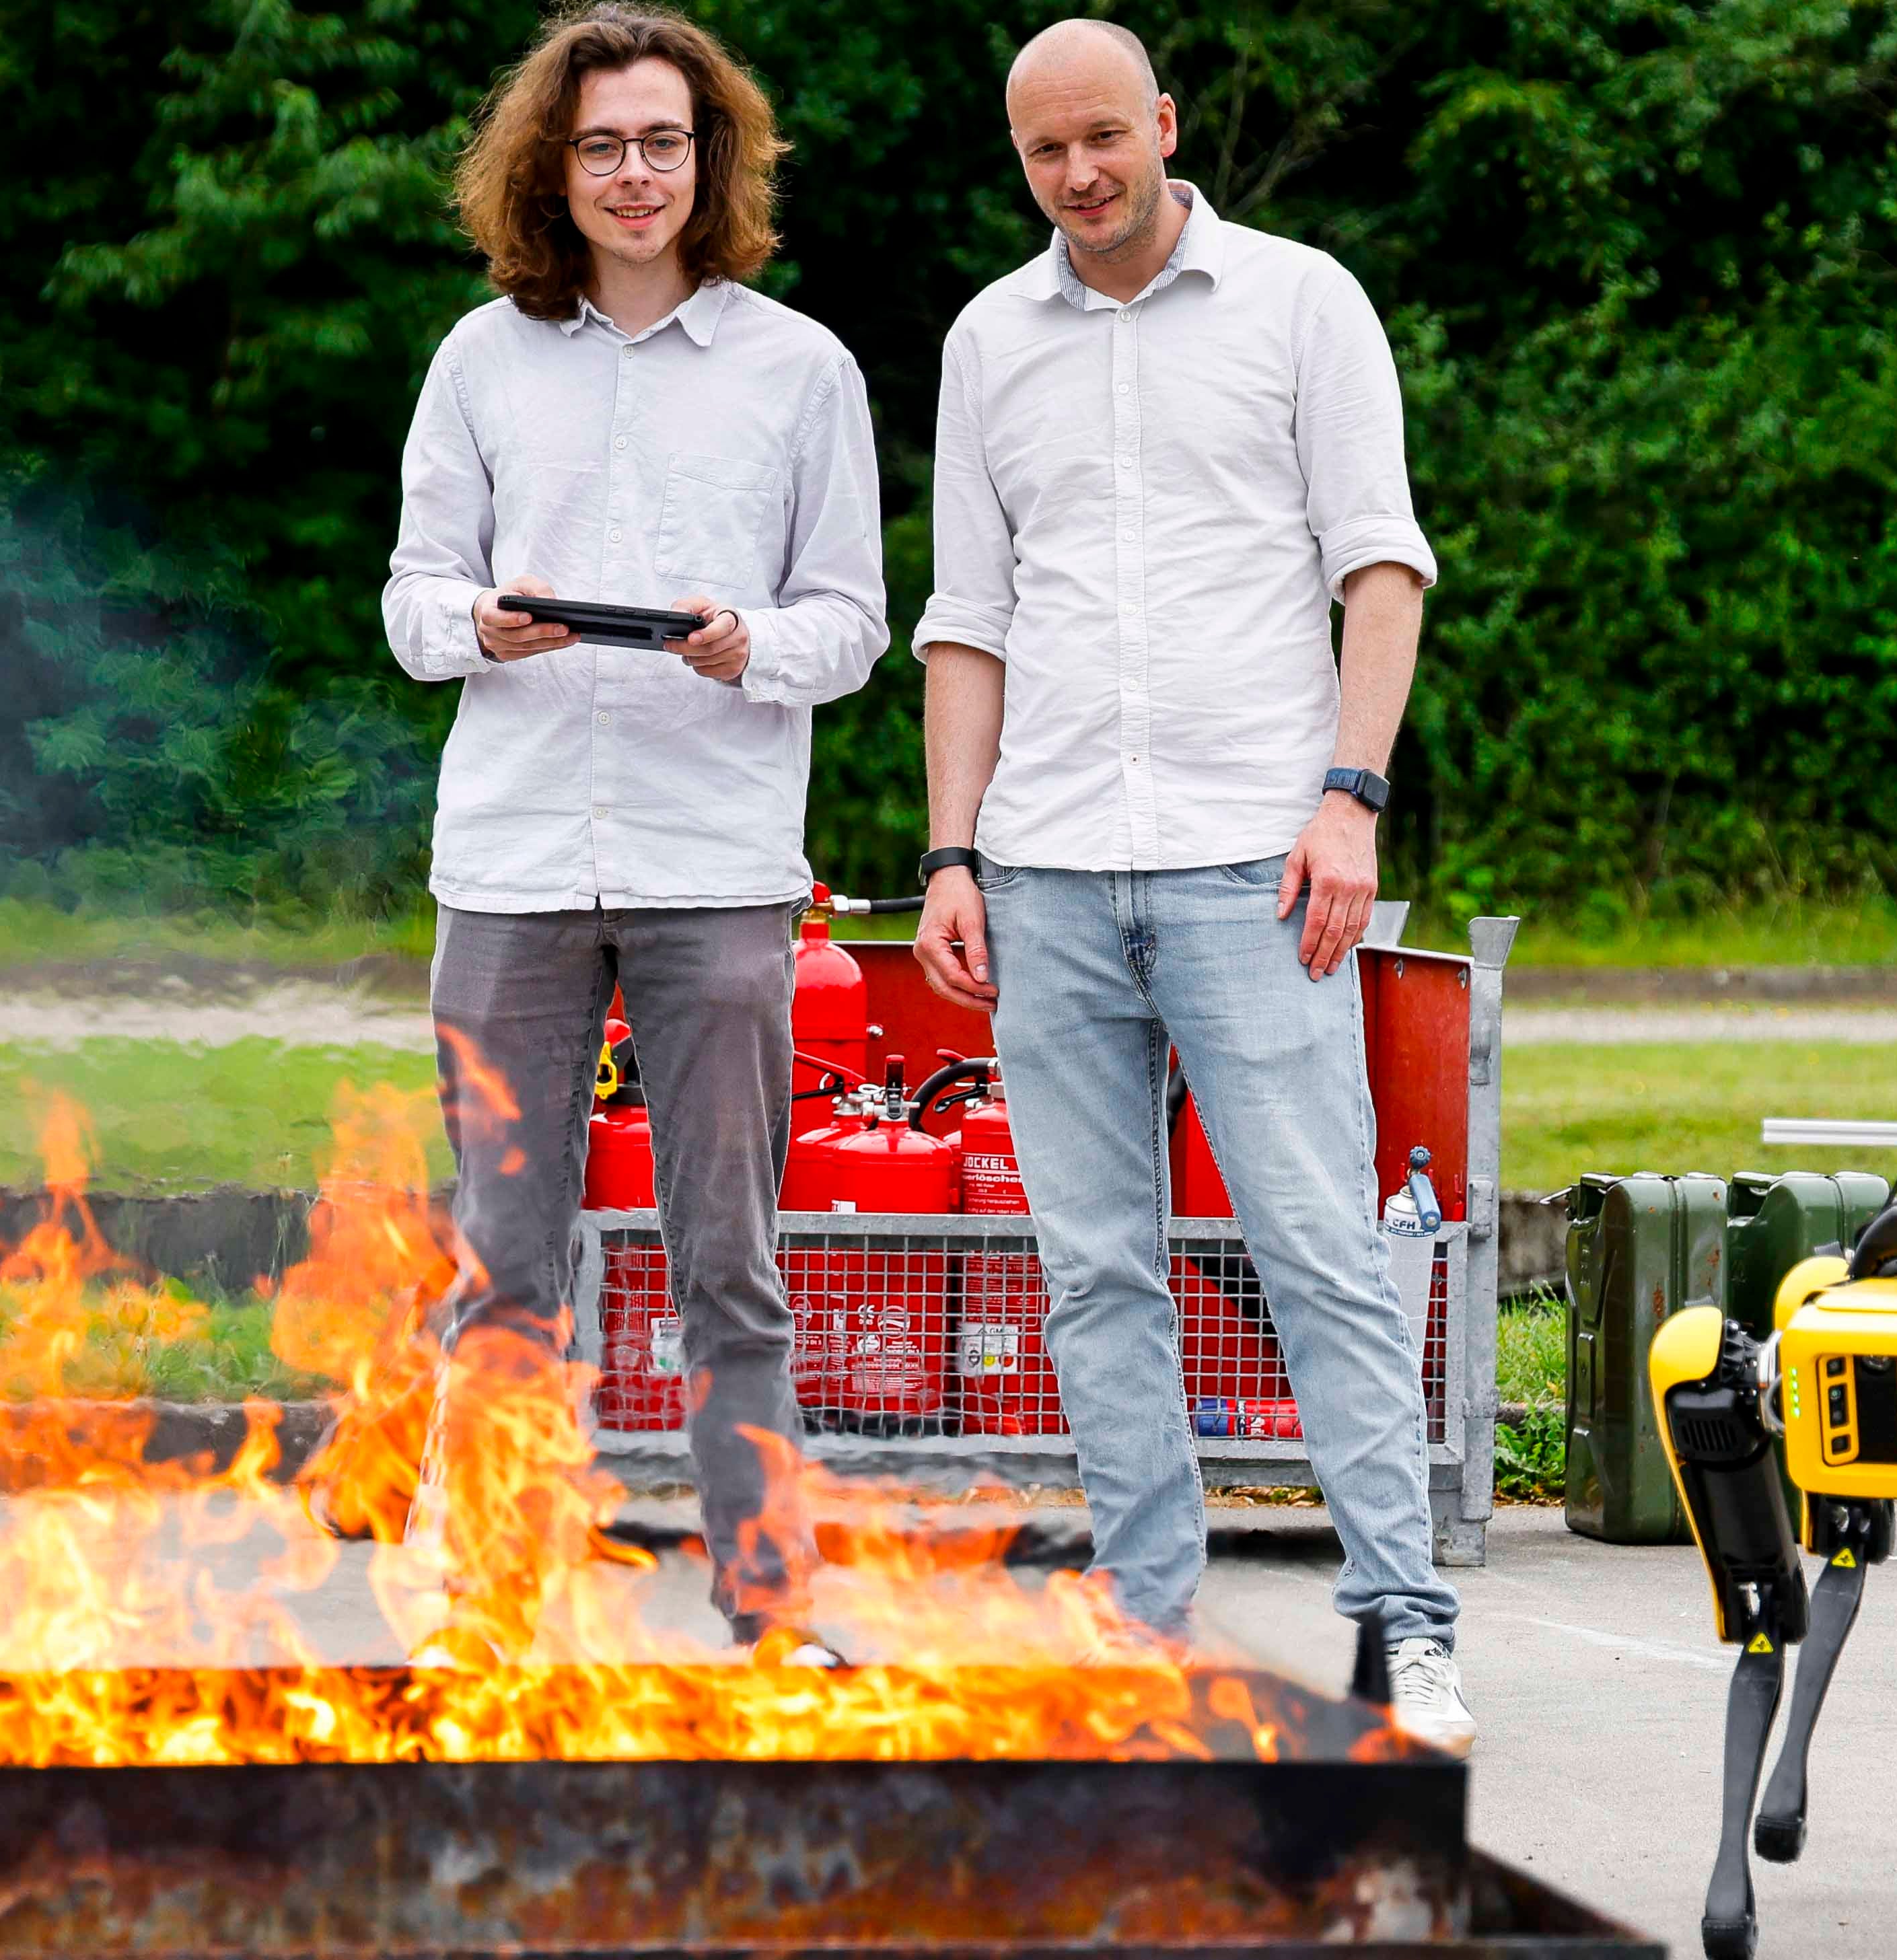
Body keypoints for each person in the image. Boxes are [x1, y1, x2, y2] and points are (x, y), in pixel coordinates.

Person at [908, 18, 1472, 1751]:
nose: (1080, 174)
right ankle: (1144, 1622)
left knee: (1319, 1253)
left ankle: (1405, 1628)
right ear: (1020, 161)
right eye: (1045, 151)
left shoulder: (1304, 303)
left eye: (1104, 136)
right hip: (1050, 872)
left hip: (1256, 863)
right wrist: (951, 848)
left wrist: (1350, 799)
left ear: (1162, 122)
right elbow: (969, 620)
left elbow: (1382, 568)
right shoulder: (989, 341)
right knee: (1095, 1272)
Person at [378, 1, 884, 1661]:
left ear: (710, 158)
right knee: (504, 1269)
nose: (634, 173)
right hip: (513, 864)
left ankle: (771, 1607)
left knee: (731, 1265)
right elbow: (412, 599)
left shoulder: (801, 369)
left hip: (716, 865)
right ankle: (486, 1609)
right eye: (600, 145)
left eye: (663, 140)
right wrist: (481, 624)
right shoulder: (480, 359)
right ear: (553, 167)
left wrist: (750, 646)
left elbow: (853, 624)